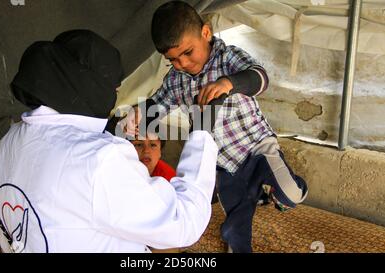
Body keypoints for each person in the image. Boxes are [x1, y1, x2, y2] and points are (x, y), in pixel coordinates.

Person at [0, 29, 218, 253]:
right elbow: (183, 223)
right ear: (86, 84)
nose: (116, 91)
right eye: (112, 85)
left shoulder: (8, 143)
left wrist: (112, 129)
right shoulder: (99, 161)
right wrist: (202, 130)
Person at [124, 1, 308, 253]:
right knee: (234, 232)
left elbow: (260, 78)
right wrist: (137, 115)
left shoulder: (226, 57)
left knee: (291, 195)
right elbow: (159, 105)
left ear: (206, 33)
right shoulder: (176, 79)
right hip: (221, 165)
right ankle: (254, 194)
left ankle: (270, 190)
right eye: (173, 59)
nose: (182, 64)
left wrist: (228, 82)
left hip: (256, 150)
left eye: (188, 52)